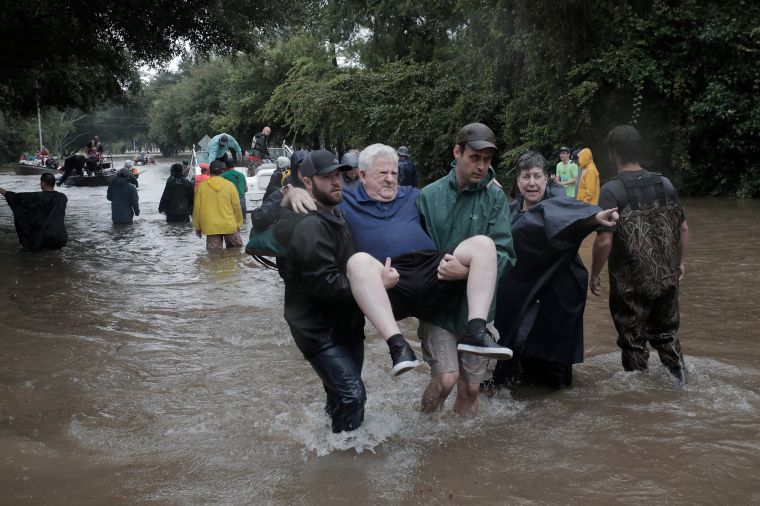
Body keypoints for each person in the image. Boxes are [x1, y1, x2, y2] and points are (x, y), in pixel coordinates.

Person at [488, 152, 618, 389]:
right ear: (517, 182)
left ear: (547, 180)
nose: (532, 182)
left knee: (555, 376)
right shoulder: (507, 212)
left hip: (557, 295)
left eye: (537, 176)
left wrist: (598, 216)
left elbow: (581, 215)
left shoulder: (559, 205)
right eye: (526, 177)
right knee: (518, 367)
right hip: (521, 296)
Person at [412, 123, 516, 415]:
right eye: (475, 158)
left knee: (471, 389)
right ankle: (425, 426)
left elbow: (506, 255)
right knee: (445, 380)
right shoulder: (428, 197)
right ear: (457, 152)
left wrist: (467, 271)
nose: (482, 166)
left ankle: (462, 451)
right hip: (438, 308)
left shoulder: (496, 199)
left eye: (487, 160)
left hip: (479, 312)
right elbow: (415, 253)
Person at [272, 151, 367, 433]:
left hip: (347, 324)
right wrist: (373, 287)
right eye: (327, 177)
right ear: (308, 182)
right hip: (317, 329)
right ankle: (345, 466)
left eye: (337, 175)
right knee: (353, 396)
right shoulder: (310, 224)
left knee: (339, 395)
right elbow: (325, 284)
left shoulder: (336, 212)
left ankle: (331, 443)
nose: (336, 182)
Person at [590, 125, 689, 384]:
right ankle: (682, 385)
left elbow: (603, 240)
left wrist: (595, 275)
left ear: (613, 153)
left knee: (634, 346)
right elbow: (683, 227)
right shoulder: (664, 184)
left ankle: (639, 400)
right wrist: (680, 263)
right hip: (667, 279)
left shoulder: (612, 191)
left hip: (630, 286)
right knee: (668, 337)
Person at [0, 173, 68, 251]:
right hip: (60, 238)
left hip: (42, 240)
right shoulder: (62, 198)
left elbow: (14, 197)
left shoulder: (36, 197)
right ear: (53, 183)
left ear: (43, 183)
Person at [192, 160, 243, 250]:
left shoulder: (202, 187)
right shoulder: (230, 186)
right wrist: (238, 224)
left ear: (209, 171)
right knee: (236, 253)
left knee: (214, 258)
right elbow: (237, 207)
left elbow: (196, 208)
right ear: (222, 171)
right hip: (229, 225)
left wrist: (197, 227)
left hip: (211, 228)